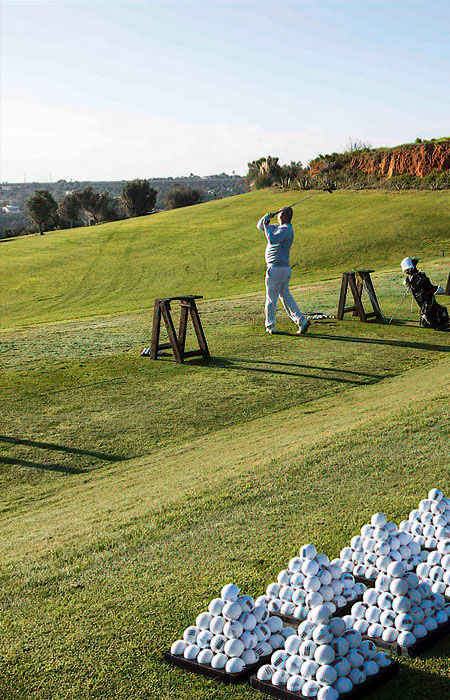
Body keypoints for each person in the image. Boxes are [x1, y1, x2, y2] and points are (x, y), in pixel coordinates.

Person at [257, 206, 310, 335]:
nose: (278, 216)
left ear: (285, 216)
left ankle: (270, 326)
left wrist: (266, 224)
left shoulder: (286, 230)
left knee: (271, 298)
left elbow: (272, 239)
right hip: (282, 269)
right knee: (285, 295)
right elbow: (259, 227)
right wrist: (266, 218)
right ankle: (301, 320)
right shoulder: (278, 228)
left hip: (277, 268)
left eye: (280, 214)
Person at [401, 256, 449, 330]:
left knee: (431, 309)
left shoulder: (419, 276)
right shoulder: (418, 276)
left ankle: (439, 324)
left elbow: (421, 286)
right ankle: (438, 325)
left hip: (427, 297)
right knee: (429, 310)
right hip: (425, 298)